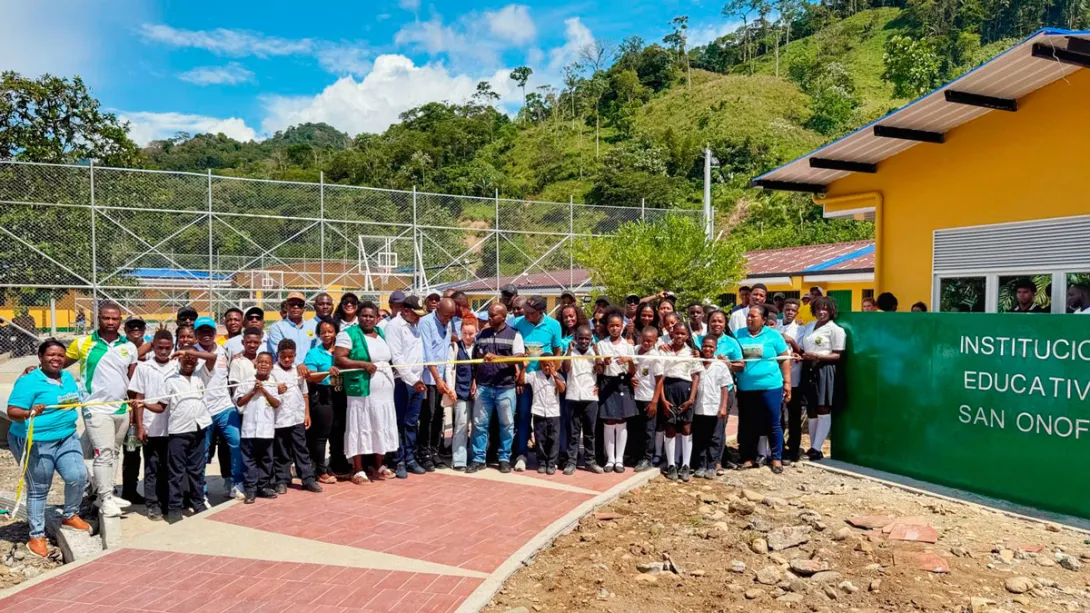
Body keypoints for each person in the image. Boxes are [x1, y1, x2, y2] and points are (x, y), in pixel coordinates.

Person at [7, 339, 91, 557]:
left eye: (61, 356)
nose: (56, 359)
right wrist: (29, 413)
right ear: (41, 357)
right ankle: (36, 536)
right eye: (51, 355)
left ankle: (70, 515)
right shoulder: (29, 381)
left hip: (66, 436)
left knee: (78, 476)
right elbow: (12, 411)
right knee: (39, 488)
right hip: (35, 441)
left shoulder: (67, 378)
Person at [66, 302, 137, 517]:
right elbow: (58, 365)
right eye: (106, 318)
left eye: (115, 319)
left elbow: (132, 381)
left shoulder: (129, 347)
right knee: (103, 453)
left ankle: (107, 493)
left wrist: (133, 409)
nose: (110, 322)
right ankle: (105, 499)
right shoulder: (82, 343)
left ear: (120, 320)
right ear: (98, 318)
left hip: (121, 408)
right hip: (95, 408)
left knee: (114, 453)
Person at [335, 301, 399, 483]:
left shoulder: (380, 333)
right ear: (358, 317)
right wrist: (362, 364)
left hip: (384, 393)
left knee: (380, 424)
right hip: (361, 390)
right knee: (360, 426)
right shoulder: (348, 334)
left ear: (377, 318)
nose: (368, 319)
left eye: (372, 316)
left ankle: (377, 465)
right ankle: (358, 469)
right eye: (364, 315)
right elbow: (339, 358)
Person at [154, 345, 212, 522]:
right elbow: (161, 406)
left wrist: (190, 352)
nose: (189, 361)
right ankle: (174, 508)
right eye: (185, 358)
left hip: (199, 427)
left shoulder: (200, 375)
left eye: (192, 358)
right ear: (178, 359)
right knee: (176, 472)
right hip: (179, 430)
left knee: (197, 470)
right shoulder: (170, 380)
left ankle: (198, 503)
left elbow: (212, 358)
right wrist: (143, 405)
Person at [735, 304, 791, 474]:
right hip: (746, 388)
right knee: (747, 423)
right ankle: (748, 457)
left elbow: (785, 359)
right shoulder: (738, 335)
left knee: (773, 422)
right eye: (748, 316)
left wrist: (787, 383)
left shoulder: (773, 336)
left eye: (754, 316)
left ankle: (776, 457)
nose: (750, 319)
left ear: (764, 319)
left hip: (771, 386)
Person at [468, 303, 525, 473]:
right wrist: (475, 380)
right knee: (479, 424)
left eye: (493, 316)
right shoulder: (482, 334)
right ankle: (479, 458)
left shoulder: (514, 335)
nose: (490, 318)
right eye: (489, 315)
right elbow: (475, 359)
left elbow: (519, 357)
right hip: (484, 387)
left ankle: (504, 458)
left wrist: (498, 358)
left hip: (505, 387)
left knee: (506, 425)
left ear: (503, 317)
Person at [193, 316, 245, 501]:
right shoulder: (191, 352)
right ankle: (201, 490)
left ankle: (236, 482)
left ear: (215, 333)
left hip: (224, 407)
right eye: (201, 331)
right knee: (203, 452)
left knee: (237, 443)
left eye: (209, 331)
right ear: (195, 334)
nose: (206, 335)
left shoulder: (224, 351)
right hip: (202, 409)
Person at [129, 329, 177, 520]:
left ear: (172, 347)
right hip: (151, 425)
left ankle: (167, 501)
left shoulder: (177, 366)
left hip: (173, 426)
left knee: (170, 467)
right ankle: (152, 504)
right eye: (159, 348)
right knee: (152, 466)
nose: (163, 351)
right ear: (153, 347)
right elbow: (139, 397)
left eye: (167, 348)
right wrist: (140, 425)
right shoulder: (144, 367)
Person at [513, 295, 563, 472]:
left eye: (530, 313)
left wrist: (554, 373)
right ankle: (521, 455)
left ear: (541, 312)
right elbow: (513, 347)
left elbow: (558, 350)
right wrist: (519, 373)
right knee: (524, 416)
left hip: (545, 380)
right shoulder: (518, 322)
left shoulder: (554, 325)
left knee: (548, 421)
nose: (526, 315)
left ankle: (550, 458)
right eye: (525, 311)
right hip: (526, 379)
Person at [270, 339, 320, 494]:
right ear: (277, 355)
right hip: (280, 418)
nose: (286, 360)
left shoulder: (297, 371)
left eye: (290, 357)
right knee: (282, 450)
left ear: (295, 356)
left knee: (301, 448)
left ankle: (308, 479)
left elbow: (304, 393)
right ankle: (282, 479)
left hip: (297, 417)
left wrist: (307, 414)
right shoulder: (272, 372)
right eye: (283, 356)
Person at [799, 296, 845, 461]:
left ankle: (817, 448)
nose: (821, 312)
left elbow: (837, 355)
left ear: (832, 310)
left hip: (824, 369)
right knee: (811, 408)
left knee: (823, 407)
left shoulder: (836, 330)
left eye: (825, 308)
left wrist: (817, 356)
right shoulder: (809, 326)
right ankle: (813, 447)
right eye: (818, 308)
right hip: (808, 368)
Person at [386, 295, 427, 478]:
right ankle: (399, 460)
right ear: (405, 311)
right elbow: (397, 357)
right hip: (402, 381)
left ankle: (410, 457)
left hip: (417, 381)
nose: (418, 317)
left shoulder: (415, 325)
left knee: (412, 423)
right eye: (416, 314)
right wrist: (412, 379)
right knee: (400, 423)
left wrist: (418, 379)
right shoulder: (394, 327)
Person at [234, 352, 282, 503]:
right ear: (255, 364)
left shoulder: (274, 382)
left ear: (271, 366)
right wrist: (254, 390)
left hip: (266, 430)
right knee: (249, 460)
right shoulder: (247, 381)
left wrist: (265, 391)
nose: (263, 364)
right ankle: (251, 489)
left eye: (266, 362)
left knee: (266, 460)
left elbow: (276, 403)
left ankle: (263, 486)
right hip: (249, 430)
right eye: (260, 361)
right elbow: (239, 402)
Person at [658, 322, 701, 482]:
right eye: (677, 333)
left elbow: (696, 375)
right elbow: (660, 376)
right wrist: (662, 399)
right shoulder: (664, 351)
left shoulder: (691, 353)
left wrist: (691, 399)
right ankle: (671, 464)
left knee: (686, 428)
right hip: (668, 390)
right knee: (669, 428)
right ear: (672, 334)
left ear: (688, 336)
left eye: (683, 334)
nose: (679, 337)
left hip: (686, 391)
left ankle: (685, 465)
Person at [303, 316, 342, 485]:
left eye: (330, 331)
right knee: (321, 435)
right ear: (318, 334)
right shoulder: (313, 353)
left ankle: (336, 465)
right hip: (322, 394)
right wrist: (327, 372)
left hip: (340, 392)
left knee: (338, 431)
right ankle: (320, 469)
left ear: (335, 333)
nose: (327, 334)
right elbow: (310, 377)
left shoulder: (341, 352)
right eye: (323, 332)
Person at [418, 297, 455, 471]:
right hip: (429, 378)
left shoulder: (448, 323)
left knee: (440, 415)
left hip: (442, 377)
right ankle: (424, 453)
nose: (448, 319)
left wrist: (445, 379)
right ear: (437, 309)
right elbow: (428, 353)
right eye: (445, 315)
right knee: (428, 416)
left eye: (451, 316)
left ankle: (434, 451)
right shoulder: (426, 322)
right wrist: (438, 380)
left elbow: (446, 349)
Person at [596, 313, 636, 473]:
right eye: (611, 325)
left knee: (621, 420)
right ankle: (610, 459)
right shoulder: (601, 344)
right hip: (607, 382)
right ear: (607, 327)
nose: (614, 328)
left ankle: (619, 459)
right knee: (609, 421)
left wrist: (629, 360)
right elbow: (598, 370)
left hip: (622, 382)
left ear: (622, 327)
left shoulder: (628, 346)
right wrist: (604, 363)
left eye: (617, 325)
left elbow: (634, 371)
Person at [693, 336, 733, 480]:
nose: (708, 349)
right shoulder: (697, 364)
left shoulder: (720, 365)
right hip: (700, 408)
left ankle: (712, 465)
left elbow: (725, 388)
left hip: (715, 408)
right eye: (705, 346)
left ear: (715, 348)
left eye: (711, 347)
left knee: (715, 438)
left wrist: (723, 407)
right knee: (700, 438)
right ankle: (701, 465)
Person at [562, 325, 601, 475]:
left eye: (587, 338)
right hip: (573, 396)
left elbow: (600, 370)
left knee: (590, 432)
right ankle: (571, 461)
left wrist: (597, 352)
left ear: (591, 340)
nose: (584, 341)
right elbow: (565, 369)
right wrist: (569, 350)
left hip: (590, 397)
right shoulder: (571, 352)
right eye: (581, 338)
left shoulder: (594, 353)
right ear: (575, 339)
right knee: (573, 432)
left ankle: (590, 461)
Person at [120, 316, 150, 505]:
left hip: (152, 408)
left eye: (140, 327)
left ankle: (153, 490)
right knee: (131, 452)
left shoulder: (153, 349)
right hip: (130, 408)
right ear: (125, 329)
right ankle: (129, 490)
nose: (136, 329)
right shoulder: (119, 349)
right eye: (132, 326)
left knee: (153, 453)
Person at [443, 319, 477, 471]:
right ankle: (459, 460)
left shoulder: (479, 348)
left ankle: (475, 458)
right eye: (465, 333)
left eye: (471, 333)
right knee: (461, 425)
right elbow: (449, 368)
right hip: (461, 393)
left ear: (476, 332)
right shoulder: (455, 347)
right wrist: (451, 389)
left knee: (478, 426)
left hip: (477, 394)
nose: (468, 336)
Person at [631, 326, 664, 472]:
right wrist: (631, 378)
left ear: (655, 341)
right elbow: (631, 369)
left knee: (648, 430)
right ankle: (636, 455)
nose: (646, 343)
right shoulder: (635, 350)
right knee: (637, 428)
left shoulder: (656, 357)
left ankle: (647, 458)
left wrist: (654, 402)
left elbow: (659, 381)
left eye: (650, 341)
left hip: (648, 398)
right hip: (635, 396)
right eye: (644, 340)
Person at [779, 299, 806, 463]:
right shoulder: (774, 325)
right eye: (787, 309)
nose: (790, 312)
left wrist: (791, 341)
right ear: (783, 309)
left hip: (794, 378)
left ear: (797, 312)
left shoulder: (800, 329)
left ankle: (794, 449)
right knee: (779, 416)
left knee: (794, 416)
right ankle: (779, 448)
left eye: (793, 311)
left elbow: (801, 352)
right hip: (777, 378)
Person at [528, 359, 565, 475]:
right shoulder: (535, 375)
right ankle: (542, 463)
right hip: (539, 411)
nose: (547, 368)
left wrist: (555, 376)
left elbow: (562, 389)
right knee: (540, 439)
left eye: (549, 365)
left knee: (553, 439)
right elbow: (521, 380)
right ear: (541, 365)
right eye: (545, 365)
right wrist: (524, 367)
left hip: (553, 412)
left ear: (554, 365)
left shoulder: (559, 376)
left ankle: (552, 463)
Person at [268, 291, 315, 362]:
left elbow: (317, 350)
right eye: (292, 304)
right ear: (287, 307)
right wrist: (299, 365)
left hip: (311, 369)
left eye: (299, 304)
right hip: (288, 371)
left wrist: (310, 366)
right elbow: (281, 353)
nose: (296, 307)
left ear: (305, 308)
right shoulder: (277, 327)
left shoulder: (313, 326)